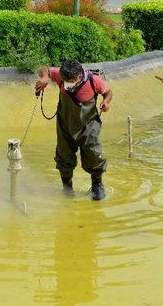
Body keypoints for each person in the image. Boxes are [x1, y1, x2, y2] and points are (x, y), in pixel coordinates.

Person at [35, 60, 113, 201]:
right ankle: (67, 187)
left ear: (78, 77)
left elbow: (108, 92)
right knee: (64, 156)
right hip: (65, 124)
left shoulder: (94, 81)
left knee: (94, 154)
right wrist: (45, 78)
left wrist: (106, 102)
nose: (66, 84)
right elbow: (44, 69)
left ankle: (97, 185)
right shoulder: (60, 75)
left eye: (70, 81)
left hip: (89, 125)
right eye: (64, 81)